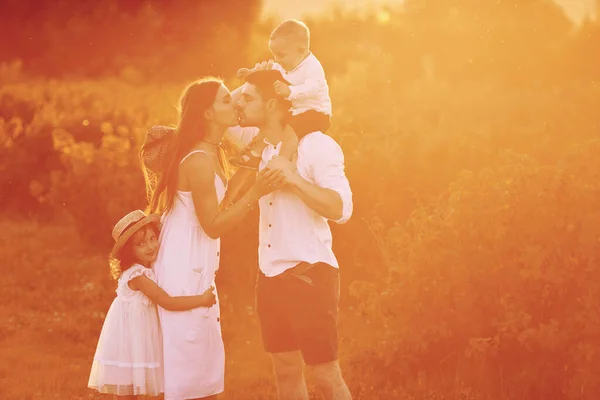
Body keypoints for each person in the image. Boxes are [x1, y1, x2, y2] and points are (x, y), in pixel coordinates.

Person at [140, 77, 280, 400]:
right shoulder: (200, 161)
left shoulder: (209, 155)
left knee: (202, 369)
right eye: (226, 101)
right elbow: (213, 226)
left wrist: (248, 168)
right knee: (188, 375)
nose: (236, 105)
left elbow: (221, 202)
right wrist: (257, 191)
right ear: (206, 113)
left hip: (194, 266)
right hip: (182, 269)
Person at [236, 69, 353, 400]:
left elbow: (341, 208)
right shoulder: (255, 143)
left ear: (272, 104)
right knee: (285, 370)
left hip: (310, 276)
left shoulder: (317, 145)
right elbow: (224, 105)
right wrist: (266, 69)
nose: (239, 104)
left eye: (248, 98)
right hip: (270, 277)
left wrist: (294, 179)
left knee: (326, 375)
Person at [88, 210, 217, 399]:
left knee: (133, 389)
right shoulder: (137, 275)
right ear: (129, 252)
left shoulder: (145, 269)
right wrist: (201, 300)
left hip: (139, 337)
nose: (149, 246)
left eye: (152, 238)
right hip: (132, 340)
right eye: (140, 244)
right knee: (128, 390)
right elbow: (167, 301)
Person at [231, 19, 332, 170]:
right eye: (274, 54)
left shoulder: (312, 67)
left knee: (290, 133)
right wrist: (253, 73)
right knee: (268, 127)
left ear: (301, 51)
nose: (277, 59)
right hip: (296, 111)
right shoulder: (288, 61)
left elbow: (313, 88)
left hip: (316, 113)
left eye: (281, 55)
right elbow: (272, 69)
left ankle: (281, 165)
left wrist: (290, 91)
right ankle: (254, 155)